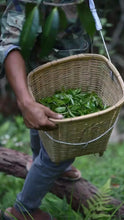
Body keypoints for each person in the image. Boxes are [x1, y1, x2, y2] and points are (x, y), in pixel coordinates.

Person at [0, 0, 91, 219]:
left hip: (64, 79)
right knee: (58, 151)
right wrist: (25, 102)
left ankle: (38, 160)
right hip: (42, 79)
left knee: (45, 134)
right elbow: (9, 44)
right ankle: (22, 210)